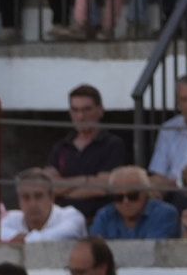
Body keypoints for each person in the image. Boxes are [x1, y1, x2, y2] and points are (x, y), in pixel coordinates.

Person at [43, 83, 129, 224]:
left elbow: (103, 187)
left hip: (98, 220)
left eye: (86, 110)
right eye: (75, 110)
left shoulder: (113, 144)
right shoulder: (61, 147)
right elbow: (49, 186)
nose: (80, 116)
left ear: (100, 110)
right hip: (62, 221)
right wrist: (86, 181)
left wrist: (63, 188)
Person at [90, 165, 180, 240]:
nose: (126, 201)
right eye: (119, 197)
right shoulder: (104, 216)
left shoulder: (164, 214)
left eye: (132, 196)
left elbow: (151, 253)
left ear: (146, 193)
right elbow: (97, 253)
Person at [0, 168, 87, 243]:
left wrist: (23, 239)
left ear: (52, 198)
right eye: (26, 197)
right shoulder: (10, 218)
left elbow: (60, 236)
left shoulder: (72, 216)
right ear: (19, 200)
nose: (32, 204)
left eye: (38, 196)